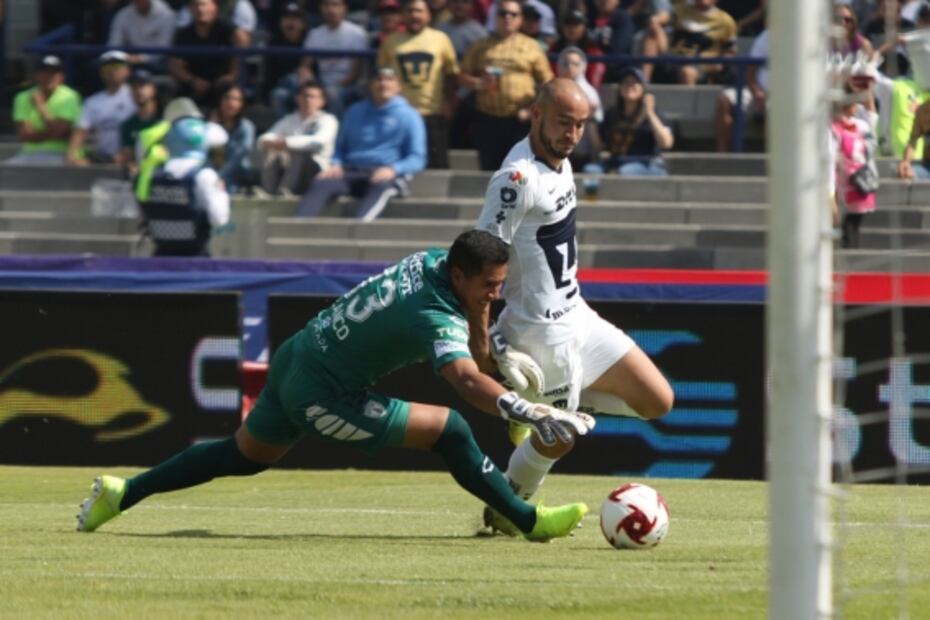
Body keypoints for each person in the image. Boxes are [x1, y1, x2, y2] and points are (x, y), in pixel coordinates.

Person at [77, 229, 594, 542]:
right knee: (451, 429)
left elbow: (476, 344)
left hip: (297, 355)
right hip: (322, 395)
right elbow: (462, 376)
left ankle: (123, 494)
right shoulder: (433, 315)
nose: (497, 294)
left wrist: (483, 308)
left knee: (241, 456)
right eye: (490, 285)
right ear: (459, 275)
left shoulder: (434, 261)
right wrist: (529, 411)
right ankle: (527, 521)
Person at [473, 78, 674, 531]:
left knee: (658, 400)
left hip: (577, 313)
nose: (573, 134)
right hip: (540, 331)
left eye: (581, 125)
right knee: (559, 438)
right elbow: (481, 258)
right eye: (564, 122)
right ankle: (508, 505)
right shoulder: (516, 179)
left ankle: (529, 397)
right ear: (536, 114)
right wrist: (481, 342)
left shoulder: (561, 163)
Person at [297, 67, 426, 220]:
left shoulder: (410, 116)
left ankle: (358, 229)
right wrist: (336, 163)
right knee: (321, 183)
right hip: (351, 170)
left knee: (379, 191)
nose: (383, 84)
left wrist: (394, 169)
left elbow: (417, 157)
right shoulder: (354, 111)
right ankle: (297, 226)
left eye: (389, 80)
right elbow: (340, 147)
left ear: (398, 87)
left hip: (384, 174)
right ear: (371, 85)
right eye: (379, 79)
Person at [459, 0, 553, 171]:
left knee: (519, 171)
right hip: (488, 118)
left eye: (513, 14)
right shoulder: (480, 46)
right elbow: (462, 77)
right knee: (490, 171)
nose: (507, 18)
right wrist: (480, 83)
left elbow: (547, 82)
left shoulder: (532, 47)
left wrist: (533, 107)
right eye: (503, 13)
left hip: (519, 119)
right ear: (495, 17)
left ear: (520, 19)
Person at [135, 111, 231, 256]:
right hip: (194, 261)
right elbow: (219, 219)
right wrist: (222, 192)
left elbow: (142, 211)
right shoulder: (206, 176)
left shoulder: (151, 173)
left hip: (159, 257)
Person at [378, 0, 460, 169]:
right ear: (402, 15)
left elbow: (452, 74)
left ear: (428, 15)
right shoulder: (391, 41)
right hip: (400, 112)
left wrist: (449, 101)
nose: (414, 15)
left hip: (433, 110)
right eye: (410, 11)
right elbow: (382, 75)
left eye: (419, 11)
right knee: (399, 163)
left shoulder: (441, 39)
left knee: (437, 165)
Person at [258, 80, 339, 196]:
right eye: (305, 96)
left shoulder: (328, 120)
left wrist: (286, 142)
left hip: (316, 170)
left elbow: (318, 142)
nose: (308, 100)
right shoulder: (290, 119)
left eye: (313, 97)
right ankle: (269, 191)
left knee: (298, 151)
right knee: (271, 150)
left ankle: (285, 191)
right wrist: (268, 142)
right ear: (298, 98)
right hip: (289, 168)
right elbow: (268, 136)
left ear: (322, 101)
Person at [299, 0, 370, 117]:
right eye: (326, 5)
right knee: (284, 93)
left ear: (344, 8)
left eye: (335, 5)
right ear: (321, 8)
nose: (331, 9)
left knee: (334, 94)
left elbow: (355, 74)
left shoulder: (357, 34)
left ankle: (336, 131)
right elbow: (305, 66)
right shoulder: (315, 34)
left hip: (348, 86)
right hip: (320, 84)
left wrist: (328, 89)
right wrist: (308, 80)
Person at [9, 56, 82, 167]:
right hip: (29, 154)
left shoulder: (70, 96)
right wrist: (59, 134)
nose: (48, 77)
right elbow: (25, 135)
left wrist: (41, 107)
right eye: (44, 72)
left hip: (62, 154)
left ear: (61, 77)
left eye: (53, 73)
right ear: (36, 75)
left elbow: (58, 132)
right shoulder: (22, 97)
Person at [169, 0, 245, 108]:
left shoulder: (227, 31)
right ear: (190, 9)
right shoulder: (183, 34)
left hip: (221, 85)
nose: (200, 9)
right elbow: (175, 65)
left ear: (215, 7)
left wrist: (230, 76)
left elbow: (240, 53)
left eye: (204, 4)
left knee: (229, 93)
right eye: (195, 5)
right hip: (192, 86)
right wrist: (193, 81)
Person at [67, 51, 137, 166]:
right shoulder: (92, 102)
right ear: (101, 72)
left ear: (127, 71)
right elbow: (81, 130)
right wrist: (71, 154)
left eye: (118, 66)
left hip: (132, 159)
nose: (112, 71)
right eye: (107, 67)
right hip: (104, 159)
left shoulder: (136, 97)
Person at [600, 66, 673, 175]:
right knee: (591, 170)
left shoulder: (655, 113)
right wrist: (591, 120)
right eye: (625, 83)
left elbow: (666, 143)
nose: (629, 86)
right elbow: (599, 146)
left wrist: (650, 113)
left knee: (624, 172)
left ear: (643, 88)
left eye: (635, 83)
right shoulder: (611, 114)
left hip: (647, 163)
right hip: (616, 161)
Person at [834, 82, 878, 248]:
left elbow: (872, 119)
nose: (857, 107)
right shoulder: (835, 126)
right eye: (854, 103)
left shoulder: (860, 124)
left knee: (856, 217)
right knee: (851, 217)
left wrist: (866, 90)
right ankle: (849, 247)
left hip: (861, 176)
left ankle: (852, 247)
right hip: (845, 177)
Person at [713, 28, 767, 152]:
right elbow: (750, 71)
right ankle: (722, 158)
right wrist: (757, 92)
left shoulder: (807, 38)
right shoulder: (766, 37)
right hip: (759, 92)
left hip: (788, 98)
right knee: (724, 100)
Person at [662, 0, 737, 85]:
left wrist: (720, 63)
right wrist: (656, 21)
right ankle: (646, 84)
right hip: (674, 59)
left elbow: (730, 50)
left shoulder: (726, 21)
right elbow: (659, 21)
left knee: (687, 72)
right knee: (651, 34)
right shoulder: (681, 10)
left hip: (702, 65)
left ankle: (688, 97)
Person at [555, 47, 603, 171]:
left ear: (583, 67)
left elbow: (595, 130)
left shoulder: (589, 93)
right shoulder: (552, 90)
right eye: (565, 63)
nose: (570, 67)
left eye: (575, 64)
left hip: (581, 154)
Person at [265, 3, 310, 117]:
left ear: (302, 23)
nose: (290, 23)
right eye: (287, 18)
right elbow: (269, 76)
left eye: (295, 19)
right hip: (282, 87)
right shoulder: (273, 42)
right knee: (278, 95)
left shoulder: (310, 40)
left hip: (306, 87)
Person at [210, 82, 255, 194]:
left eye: (236, 99)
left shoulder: (246, 127)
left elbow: (238, 157)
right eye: (227, 98)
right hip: (213, 173)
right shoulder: (210, 124)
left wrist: (219, 176)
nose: (231, 103)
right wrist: (211, 127)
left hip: (238, 174)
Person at [106, 0, 177, 72]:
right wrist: (123, 57)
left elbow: (163, 48)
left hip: (157, 62)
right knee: (107, 66)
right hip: (127, 61)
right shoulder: (122, 14)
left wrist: (141, 58)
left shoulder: (167, 15)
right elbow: (114, 44)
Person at [116, 69, 163, 170]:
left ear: (152, 89)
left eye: (142, 85)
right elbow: (129, 159)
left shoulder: (165, 121)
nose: (138, 91)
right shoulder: (128, 125)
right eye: (134, 87)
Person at [549, 10, 605, 90]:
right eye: (568, 24)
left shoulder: (593, 50)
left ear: (584, 27)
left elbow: (595, 79)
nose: (572, 28)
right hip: (558, 90)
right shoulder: (554, 49)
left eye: (576, 24)